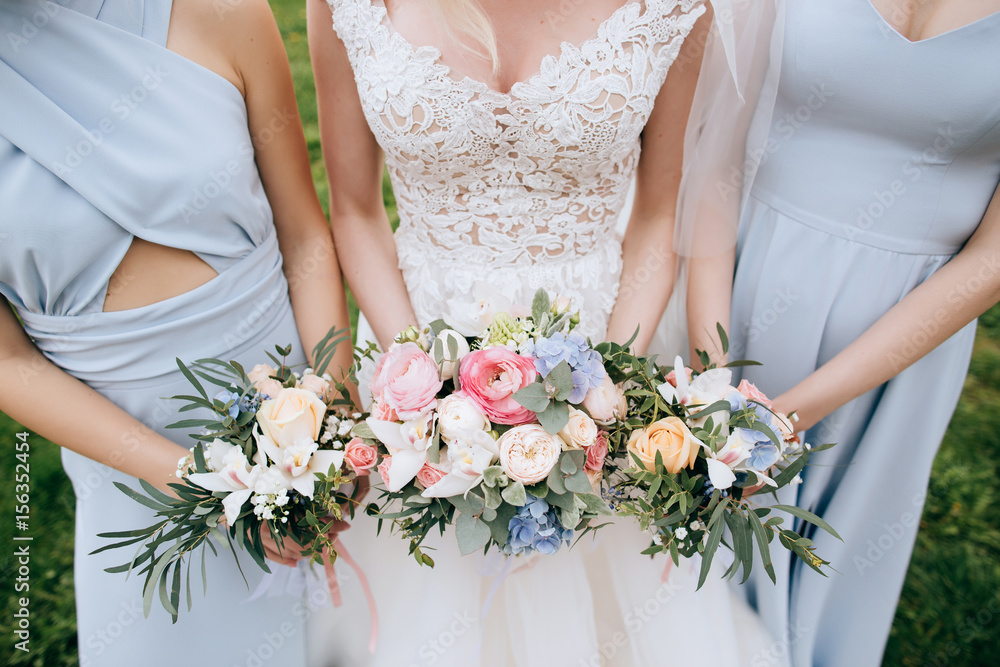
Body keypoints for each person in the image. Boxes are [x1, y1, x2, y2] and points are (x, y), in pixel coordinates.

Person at [306, 1, 778, 665]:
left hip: (600, 363)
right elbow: (354, 210)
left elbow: (657, 215)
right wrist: (419, 383)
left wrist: (606, 384)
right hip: (410, 355)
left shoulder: (675, 8)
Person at [0, 0, 354, 664]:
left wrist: (332, 399)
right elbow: (6, 361)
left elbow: (303, 231)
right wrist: (194, 480)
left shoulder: (219, 11)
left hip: (304, 445)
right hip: (134, 481)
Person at [723, 0, 1000, 664]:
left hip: (906, 351)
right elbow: (708, 143)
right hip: (740, 295)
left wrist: (792, 414)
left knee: (835, 565)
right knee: (700, 545)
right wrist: (713, 366)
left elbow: (993, 259)